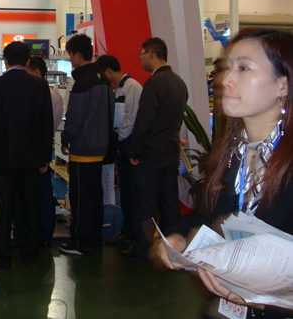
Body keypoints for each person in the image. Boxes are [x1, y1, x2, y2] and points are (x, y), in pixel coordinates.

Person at [156, 28, 293, 318]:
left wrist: (273, 298)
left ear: (282, 85)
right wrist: (183, 239)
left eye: (244, 68)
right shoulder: (231, 154)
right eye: (227, 68)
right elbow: (208, 217)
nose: (225, 80)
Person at [0, 41, 53, 272]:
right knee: (31, 206)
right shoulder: (40, 85)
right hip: (32, 158)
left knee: (4, 209)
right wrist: (45, 156)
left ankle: (1, 258)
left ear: (5, 61)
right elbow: (46, 123)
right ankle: (30, 256)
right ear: (28, 61)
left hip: (2, 158)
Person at [123, 37, 188, 261]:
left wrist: (133, 151)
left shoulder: (154, 83)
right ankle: (171, 248)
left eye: (141, 54)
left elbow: (144, 122)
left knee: (147, 205)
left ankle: (144, 248)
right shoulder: (179, 83)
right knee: (169, 203)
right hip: (171, 153)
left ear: (151, 53)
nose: (140, 59)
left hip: (151, 155)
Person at [59, 34, 114, 256]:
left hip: (83, 148)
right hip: (100, 148)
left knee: (81, 197)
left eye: (71, 55)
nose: (70, 60)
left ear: (78, 55)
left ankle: (80, 243)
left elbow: (75, 116)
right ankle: (94, 240)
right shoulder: (103, 79)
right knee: (95, 196)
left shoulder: (83, 82)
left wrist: (65, 138)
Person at [11, 56, 63, 247]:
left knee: (40, 195)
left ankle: (41, 234)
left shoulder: (47, 95)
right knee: (37, 194)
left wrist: (42, 156)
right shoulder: (48, 94)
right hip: (37, 153)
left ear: (36, 72)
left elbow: (44, 128)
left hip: (37, 154)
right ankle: (39, 234)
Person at [95, 54, 143, 246]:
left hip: (129, 146)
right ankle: (127, 231)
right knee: (126, 190)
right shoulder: (117, 89)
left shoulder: (133, 87)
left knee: (132, 191)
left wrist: (116, 139)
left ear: (108, 71)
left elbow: (132, 119)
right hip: (120, 145)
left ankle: (135, 234)